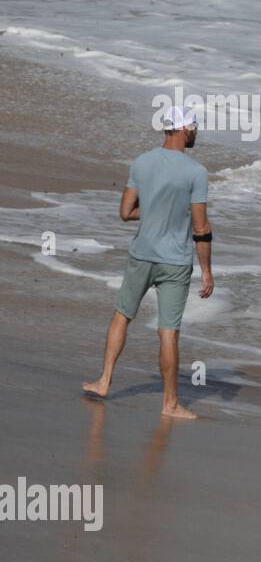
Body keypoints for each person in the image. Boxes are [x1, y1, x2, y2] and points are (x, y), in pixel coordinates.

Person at [82, 105, 214, 418]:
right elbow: (201, 228)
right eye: (193, 127)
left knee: (122, 315)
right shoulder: (196, 172)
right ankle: (169, 404)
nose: (195, 132)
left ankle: (103, 381)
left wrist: (152, 209)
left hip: (141, 254)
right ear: (183, 129)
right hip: (175, 262)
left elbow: (126, 212)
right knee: (168, 332)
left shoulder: (142, 162)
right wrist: (207, 271)